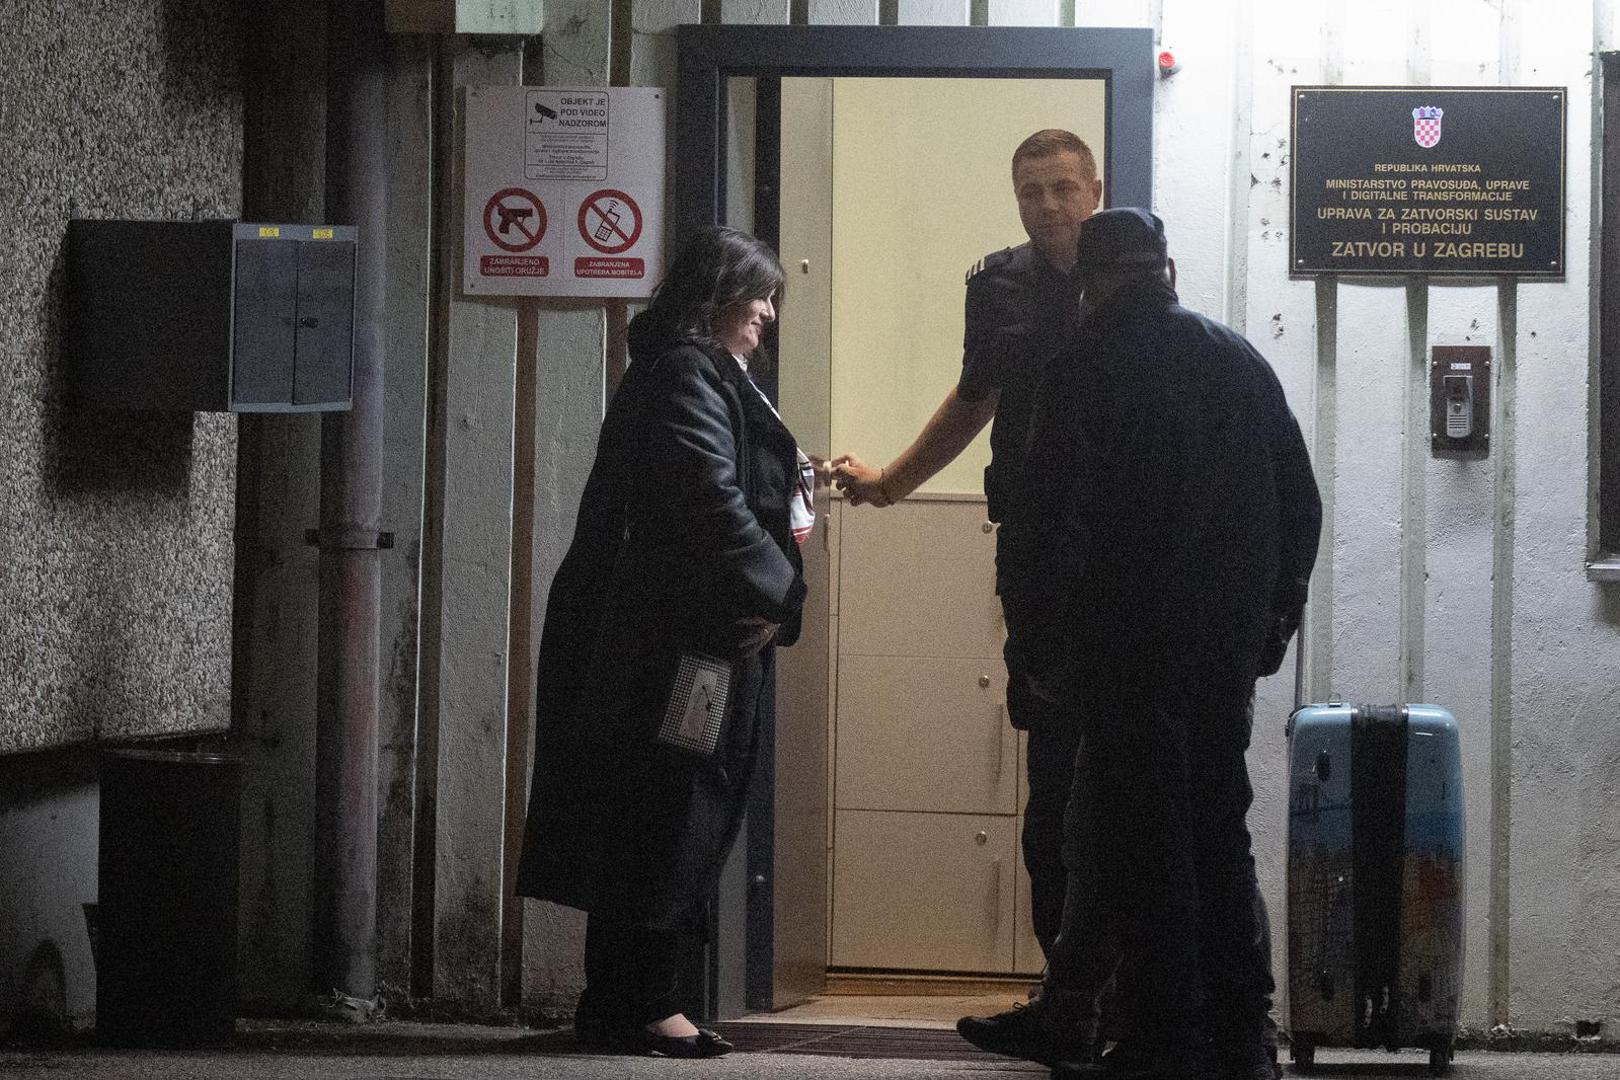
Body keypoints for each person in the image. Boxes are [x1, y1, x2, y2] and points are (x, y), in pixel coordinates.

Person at [973, 208, 1321, 1080]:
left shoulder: (1080, 369)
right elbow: (1300, 505)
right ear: (1167, 271)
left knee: (1139, 838)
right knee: (1212, 830)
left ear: (1090, 284)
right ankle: (1240, 1036)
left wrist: (1036, 650)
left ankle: (1165, 1037)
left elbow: (1040, 525)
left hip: (1122, 647)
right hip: (1220, 650)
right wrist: (1273, 620)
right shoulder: (1238, 360)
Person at [513, 226, 816, 1058]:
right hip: (684, 645)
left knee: (659, 807)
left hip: (683, 633)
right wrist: (783, 594)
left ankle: (626, 1002)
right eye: (757, 293)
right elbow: (710, 498)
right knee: (672, 808)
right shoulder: (688, 373)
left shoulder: (694, 371)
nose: (768, 311)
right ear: (714, 293)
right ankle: (643, 1003)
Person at [831, 128, 1101, 969]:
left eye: (1063, 188)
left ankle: (1132, 986)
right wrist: (889, 483)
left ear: (1096, 191)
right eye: (1031, 192)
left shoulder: (1134, 277)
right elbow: (974, 399)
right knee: (1052, 766)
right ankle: (1064, 976)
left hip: (1127, 557)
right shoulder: (998, 285)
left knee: (1129, 771)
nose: (1047, 206)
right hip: (1038, 554)